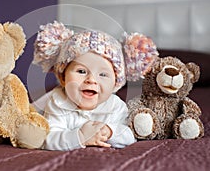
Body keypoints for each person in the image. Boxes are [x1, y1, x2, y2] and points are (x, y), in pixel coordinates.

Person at [33, 21, 158, 151]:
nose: (91, 80)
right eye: (81, 71)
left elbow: (129, 136)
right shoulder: (57, 102)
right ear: (63, 78)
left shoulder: (115, 106)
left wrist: (110, 132)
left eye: (103, 74)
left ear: (115, 84)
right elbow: (48, 139)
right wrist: (80, 137)